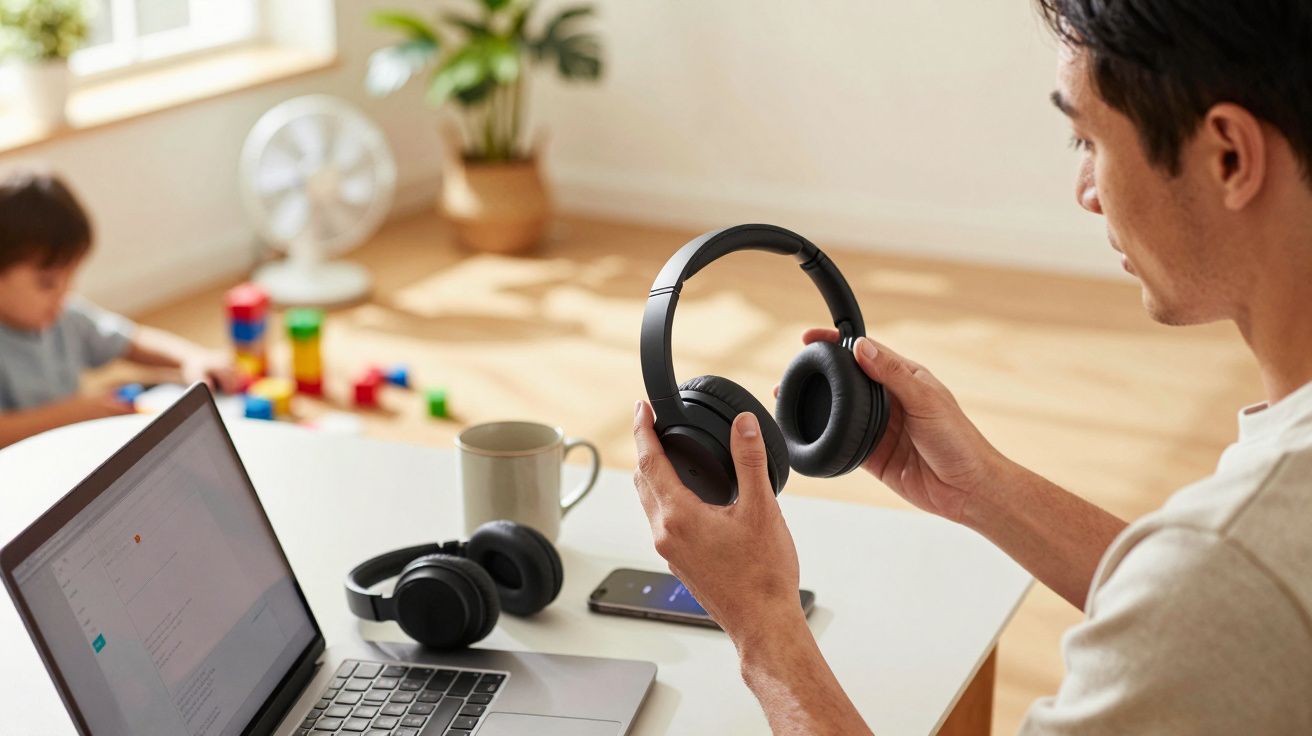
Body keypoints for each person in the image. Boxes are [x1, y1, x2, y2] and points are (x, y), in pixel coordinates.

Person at [632, 1, 1312, 733]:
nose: (1085, 191)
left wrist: (764, 626)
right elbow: (1215, 610)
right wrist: (982, 488)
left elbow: (1215, 595)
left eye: (1088, 140)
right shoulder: (1247, 559)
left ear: (1229, 158)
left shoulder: (1234, 558)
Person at [0, 168, 242, 448]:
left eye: (70, 277)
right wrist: (77, 413)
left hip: (71, 445)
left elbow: (131, 340)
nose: (64, 293)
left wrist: (191, 357)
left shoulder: (64, 316)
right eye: (47, 283)